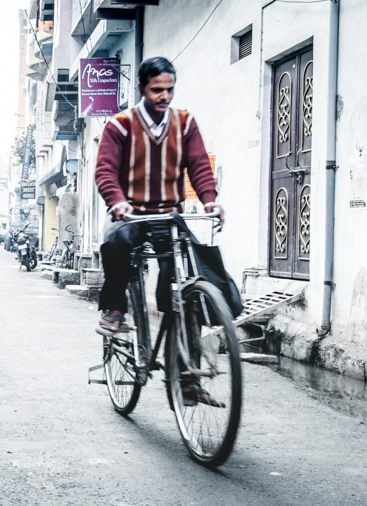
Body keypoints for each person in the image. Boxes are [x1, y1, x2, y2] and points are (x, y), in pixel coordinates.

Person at [94, 58, 225, 405]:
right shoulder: (120, 125)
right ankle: (114, 309)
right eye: (157, 90)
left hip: (169, 216)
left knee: (183, 293)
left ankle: (185, 376)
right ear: (141, 89)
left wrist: (210, 201)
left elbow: (198, 165)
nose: (164, 96)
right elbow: (105, 170)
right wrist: (117, 201)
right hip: (131, 215)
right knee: (115, 244)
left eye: (169, 89)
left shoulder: (185, 124)